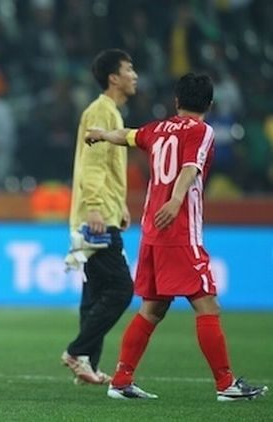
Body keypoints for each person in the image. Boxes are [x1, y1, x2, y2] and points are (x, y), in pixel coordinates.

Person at [85, 73, 269, 401]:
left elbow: (126, 135)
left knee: (152, 310)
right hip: (180, 230)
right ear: (209, 106)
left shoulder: (156, 129)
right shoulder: (202, 131)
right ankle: (226, 384)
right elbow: (189, 168)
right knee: (208, 305)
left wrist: (100, 135)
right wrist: (176, 199)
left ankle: (121, 379)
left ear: (176, 102)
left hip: (152, 232)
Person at [61, 49, 137, 385]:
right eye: (129, 69)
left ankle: (86, 365)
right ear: (113, 77)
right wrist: (95, 206)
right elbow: (93, 164)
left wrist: (118, 203)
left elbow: (107, 165)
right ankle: (77, 351)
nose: (134, 75)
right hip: (96, 217)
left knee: (94, 292)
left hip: (102, 210)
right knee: (121, 289)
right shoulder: (101, 112)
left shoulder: (110, 113)